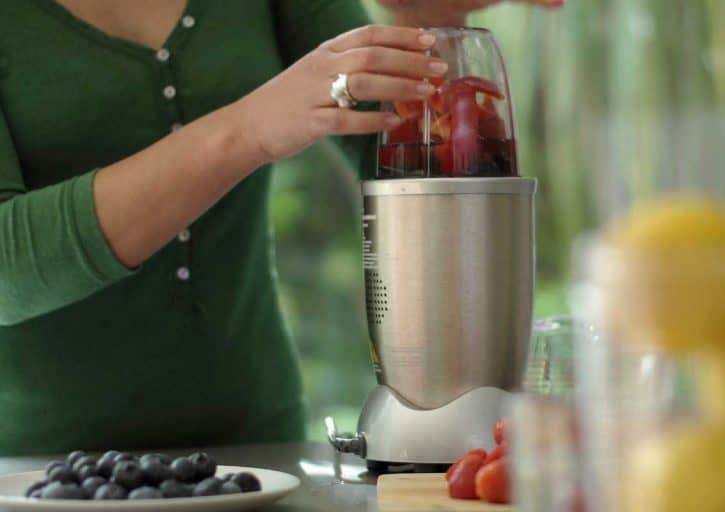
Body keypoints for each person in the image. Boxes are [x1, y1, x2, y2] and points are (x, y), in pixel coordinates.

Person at [0, 0, 559, 455]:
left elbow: (401, 168)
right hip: (38, 471)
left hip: (261, 455)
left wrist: (427, 33)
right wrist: (247, 129)